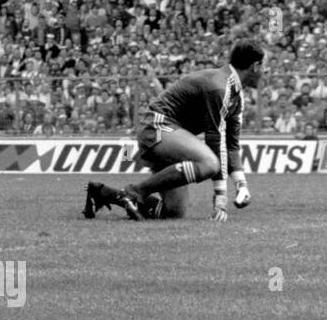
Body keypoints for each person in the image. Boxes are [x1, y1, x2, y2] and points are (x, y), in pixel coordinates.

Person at [85, 40, 263, 221]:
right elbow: (215, 140)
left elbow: (231, 145)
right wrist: (221, 199)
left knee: (173, 212)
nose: (265, 71)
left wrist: (242, 185)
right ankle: (134, 192)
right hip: (157, 128)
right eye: (263, 66)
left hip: (171, 138)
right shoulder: (220, 87)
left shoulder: (235, 95)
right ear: (255, 66)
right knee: (209, 163)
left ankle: (103, 193)